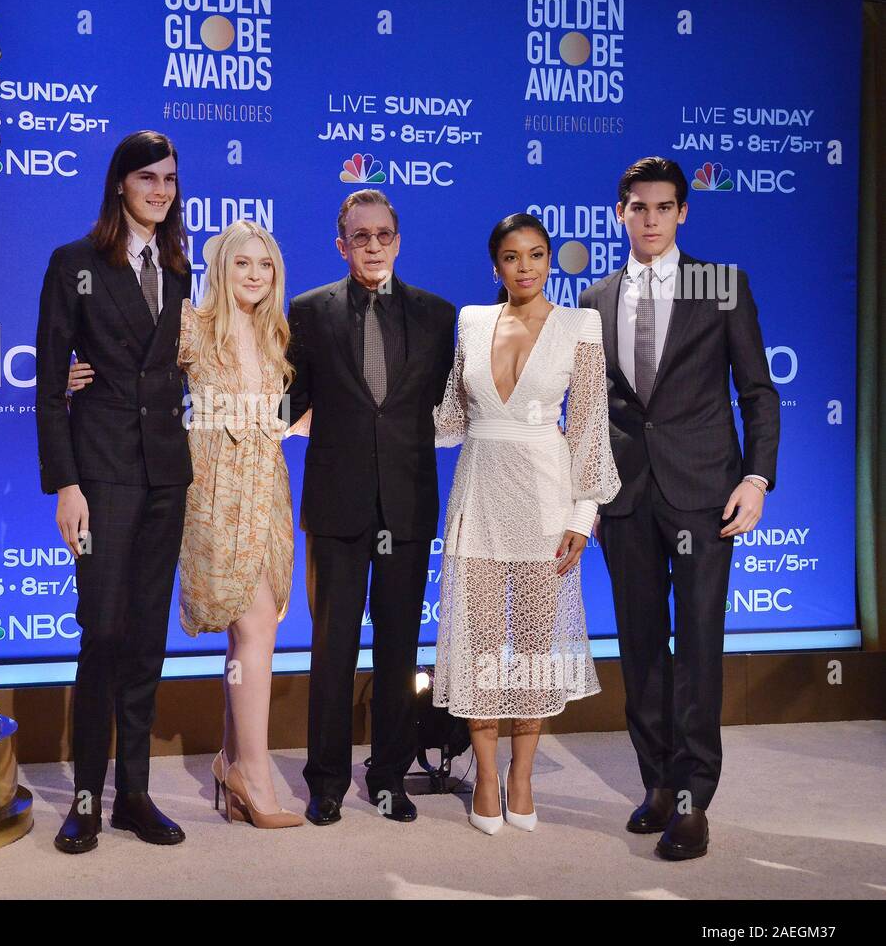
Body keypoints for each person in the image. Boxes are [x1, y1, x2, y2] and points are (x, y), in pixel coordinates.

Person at [69, 220, 305, 829]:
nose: (254, 276)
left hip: (267, 485)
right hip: (205, 485)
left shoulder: (280, 333)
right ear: (219, 268)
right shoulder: (189, 329)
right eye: (241, 264)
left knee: (253, 625)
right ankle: (252, 775)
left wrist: (300, 425)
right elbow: (128, 369)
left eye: (266, 266)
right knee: (250, 623)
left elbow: (305, 402)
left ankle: (232, 761)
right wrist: (75, 373)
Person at [580, 156, 780, 860]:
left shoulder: (723, 287)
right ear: (620, 213)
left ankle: (693, 802)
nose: (652, 219)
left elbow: (758, 391)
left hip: (704, 493)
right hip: (626, 499)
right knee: (640, 651)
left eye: (665, 207)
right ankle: (658, 784)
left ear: (684, 212)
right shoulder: (595, 300)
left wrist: (756, 479)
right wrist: (587, 495)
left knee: (696, 649)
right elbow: (591, 410)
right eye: (639, 207)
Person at [433, 213, 620, 835]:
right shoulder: (471, 320)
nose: (526, 266)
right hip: (479, 489)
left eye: (537, 254)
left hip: (547, 493)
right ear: (496, 265)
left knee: (536, 647)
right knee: (479, 641)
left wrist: (584, 513)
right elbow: (450, 417)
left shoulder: (579, 324)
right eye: (512, 257)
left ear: (549, 261)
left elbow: (590, 423)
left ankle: (522, 775)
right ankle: (486, 776)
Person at [35, 130, 193, 854]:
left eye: (168, 179)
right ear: (119, 184)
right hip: (100, 477)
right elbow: (47, 386)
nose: (159, 190)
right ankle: (88, 799)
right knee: (102, 631)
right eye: (146, 178)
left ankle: (134, 793)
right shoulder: (74, 264)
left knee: (145, 642)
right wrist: (66, 484)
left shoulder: (179, 267)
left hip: (167, 476)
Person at [284, 189, 457, 826]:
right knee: (331, 649)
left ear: (399, 240)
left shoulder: (439, 316)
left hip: (409, 505)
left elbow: (459, 403)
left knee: (398, 649)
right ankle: (325, 780)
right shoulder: (308, 311)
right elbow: (285, 402)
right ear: (342, 244)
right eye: (362, 237)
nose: (375, 246)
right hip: (336, 507)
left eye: (385, 235)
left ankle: (388, 777)